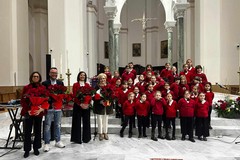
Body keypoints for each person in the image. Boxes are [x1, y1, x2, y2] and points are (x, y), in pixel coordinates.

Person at [21, 72, 48, 158]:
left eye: (37, 76)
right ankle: (27, 150)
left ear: (39, 78)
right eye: (34, 76)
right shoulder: (26, 87)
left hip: (38, 113)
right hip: (28, 112)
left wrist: (41, 109)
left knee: (37, 131)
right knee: (27, 131)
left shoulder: (43, 88)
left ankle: (36, 148)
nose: (35, 77)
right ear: (31, 77)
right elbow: (23, 100)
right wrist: (28, 110)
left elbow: (46, 100)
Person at [42, 67, 65, 152]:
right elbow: (43, 95)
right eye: (52, 73)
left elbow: (62, 94)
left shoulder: (60, 83)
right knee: (47, 125)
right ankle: (47, 143)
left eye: (55, 73)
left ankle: (58, 141)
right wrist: (50, 100)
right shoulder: (44, 83)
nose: (54, 74)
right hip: (49, 107)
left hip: (58, 108)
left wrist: (61, 100)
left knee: (57, 125)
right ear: (49, 74)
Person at [71, 71, 91, 144]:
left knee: (86, 122)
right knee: (76, 122)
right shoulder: (75, 85)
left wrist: (87, 104)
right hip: (77, 105)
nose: (82, 76)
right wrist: (80, 104)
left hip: (86, 106)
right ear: (79, 76)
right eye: (81, 75)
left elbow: (90, 95)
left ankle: (86, 138)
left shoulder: (88, 85)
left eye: (84, 75)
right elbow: (74, 95)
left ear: (85, 77)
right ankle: (77, 139)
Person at [93, 73, 114, 141]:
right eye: (101, 78)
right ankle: (100, 133)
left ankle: (105, 132)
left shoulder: (109, 86)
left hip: (107, 105)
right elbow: (93, 96)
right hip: (99, 105)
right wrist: (100, 101)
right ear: (99, 79)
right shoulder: (96, 87)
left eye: (104, 78)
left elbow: (112, 95)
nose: (103, 80)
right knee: (99, 119)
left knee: (106, 119)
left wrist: (109, 101)